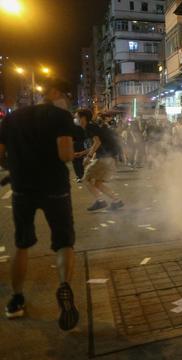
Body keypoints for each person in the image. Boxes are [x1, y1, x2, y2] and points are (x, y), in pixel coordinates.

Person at [0, 78, 80, 329]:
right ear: (53, 92)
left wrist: (15, 167)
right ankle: (64, 286)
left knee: (21, 245)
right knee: (64, 242)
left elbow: (0, 154)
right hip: (55, 188)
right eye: (63, 93)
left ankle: (16, 298)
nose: (64, 98)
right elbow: (65, 155)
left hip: (23, 188)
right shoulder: (60, 116)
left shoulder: (12, 119)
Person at [76, 109, 125, 211]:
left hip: (104, 158)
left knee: (86, 179)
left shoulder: (89, 127)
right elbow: (98, 144)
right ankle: (117, 201)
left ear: (83, 118)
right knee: (97, 183)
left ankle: (100, 201)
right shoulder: (93, 126)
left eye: (77, 117)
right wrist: (82, 153)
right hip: (109, 158)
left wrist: (88, 157)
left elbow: (97, 143)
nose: (76, 120)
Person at [71, 117, 87, 182]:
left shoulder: (70, 129)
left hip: (74, 145)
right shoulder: (80, 128)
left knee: (75, 162)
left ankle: (79, 176)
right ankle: (82, 176)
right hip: (81, 145)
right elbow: (85, 136)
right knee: (80, 161)